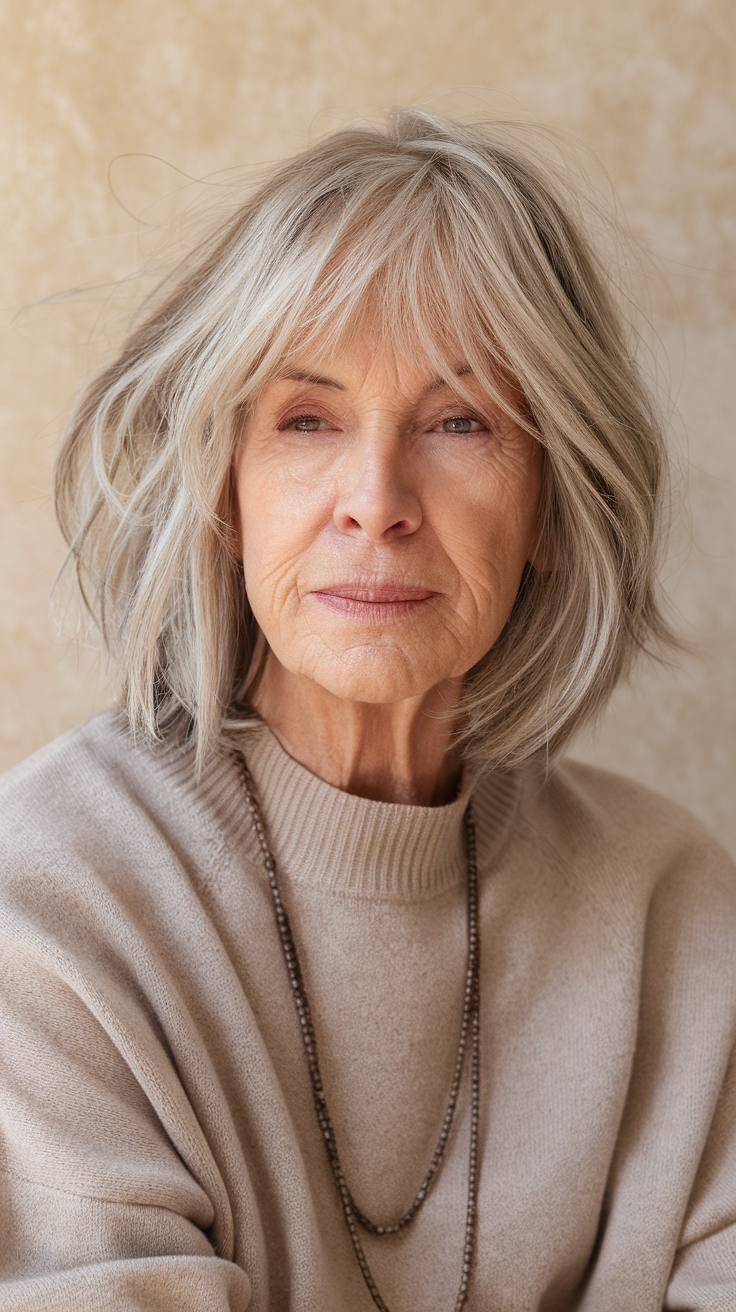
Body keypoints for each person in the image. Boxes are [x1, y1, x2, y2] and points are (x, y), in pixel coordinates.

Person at [0, 109, 734, 1312]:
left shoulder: (679, 914)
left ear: (555, 501)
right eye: (306, 420)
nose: (376, 501)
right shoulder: (45, 909)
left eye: (459, 421)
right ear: (224, 493)